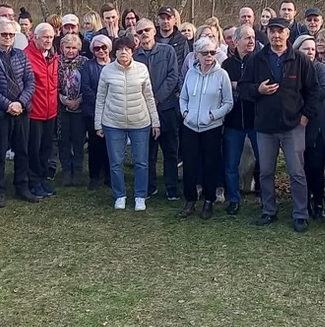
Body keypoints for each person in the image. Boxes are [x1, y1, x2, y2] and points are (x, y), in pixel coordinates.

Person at [240, 17, 320, 232]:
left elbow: (313, 90)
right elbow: (244, 88)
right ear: (266, 33)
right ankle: (268, 211)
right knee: (266, 172)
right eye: (272, 31)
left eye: (280, 31)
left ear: (288, 33)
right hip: (265, 127)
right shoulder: (256, 60)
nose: (276, 35)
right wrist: (259, 90)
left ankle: (300, 214)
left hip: (293, 125)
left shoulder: (300, 60)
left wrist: (305, 117)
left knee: (297, 172)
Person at [0, 18, 37, 206]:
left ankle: (22, 186)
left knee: (22, 151)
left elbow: (30, 82)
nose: (8, 37)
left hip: (22, 111)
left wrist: (20, 103)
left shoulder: (21, 55)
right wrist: (8, 105)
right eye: (4, 34)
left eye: (11, 35)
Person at [95, 36, 160, 211]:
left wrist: (155, 123)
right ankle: (120, 195)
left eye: (127, 49)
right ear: (114, 52)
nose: (123, 52)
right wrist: (98, 124)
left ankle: (140, 196)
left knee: (141, 161)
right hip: (113, 123)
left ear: (132, 51)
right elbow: (100, 98)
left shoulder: (142, 69)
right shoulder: (107, 71)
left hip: (140, 122)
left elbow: (149, 96)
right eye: (120, 49)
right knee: (116, 161)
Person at [177, 36, 233, 219]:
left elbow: (228, 102)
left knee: (210, 165)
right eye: (205, 53)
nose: (209, 56)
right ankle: (190, 200)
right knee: (190, 165)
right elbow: (183, 97)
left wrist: (213, 116)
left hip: (212, 127)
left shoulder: (221, 75)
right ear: (197, 55)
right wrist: (185, 113)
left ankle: (209, 201)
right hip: (190, 126)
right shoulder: (191, 74)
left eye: (212, 52)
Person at [134, 18, 182, 200]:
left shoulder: (167, 51)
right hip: (144, 110)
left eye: (147, 29)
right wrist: (147, 100)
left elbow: (173, 76)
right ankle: (150, 186)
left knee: (170, 151)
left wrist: (157, 97)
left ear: (154, 31)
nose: (144, 33)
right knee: (148, 152)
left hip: (167, 108)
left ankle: (171, 187)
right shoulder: (135, 55)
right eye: (140, 32)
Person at [222, 25, 260, 215]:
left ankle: (265, 199)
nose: (251, 41)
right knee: (231, 163)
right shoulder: (227, 66)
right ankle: (234, 199)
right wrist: (248, 88)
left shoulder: (261, 62)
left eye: (253, 37)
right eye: (246, 38)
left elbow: (260, 90)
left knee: (263, 161)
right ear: (235, 41)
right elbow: (224, 90)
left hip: (256, 121)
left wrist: (239, 86)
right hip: (233, 122)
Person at [294, 35, 325, 221]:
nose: (309, 52)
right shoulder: (291, 68)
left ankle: (318, 203)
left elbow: (324, 91)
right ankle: (303, 203)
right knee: (299, 168)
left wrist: (300, 94)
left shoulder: (321, 68)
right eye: (305, 49)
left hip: (316, 126)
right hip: (295, 126)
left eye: (312, 49)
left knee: (316, 167)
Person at [25, 23, 60, 198]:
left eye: (51, 37)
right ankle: (33, 181)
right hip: (34, 112)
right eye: (44, 37)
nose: (48, 40)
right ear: (35, 37)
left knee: (46, 147)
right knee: (33, 148)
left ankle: (42, 178)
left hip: (50, 111)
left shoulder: (54, 56)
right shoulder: (26, 56)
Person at [80, 34, 112, 189]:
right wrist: (101, 102)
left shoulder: (115, 65)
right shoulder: (88, 66)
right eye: (97, 48)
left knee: (111, 145)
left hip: (113, 111)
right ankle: (94, 176)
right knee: (94, 145)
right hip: (92, 111)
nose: (101, 51)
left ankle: (109, 175)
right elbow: (85, 87)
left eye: (104, 47)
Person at [57, 33, 88, 186]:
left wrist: (78, 100)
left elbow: (88, 84)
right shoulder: (56, 62)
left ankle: (77, 171)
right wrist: (64, 100)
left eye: (74, 48)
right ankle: (66, 171)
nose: (70, 51)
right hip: (62, 107)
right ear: (62, 48)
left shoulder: (84, 62)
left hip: (80, 107)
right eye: (67, 47)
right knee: (63, 141)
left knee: (78, 141)